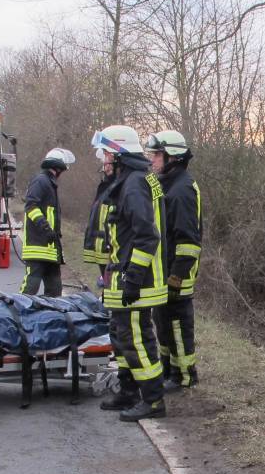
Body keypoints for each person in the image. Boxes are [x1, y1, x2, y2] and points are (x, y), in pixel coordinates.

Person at [93, 125, 168, 421]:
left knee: (136, 338)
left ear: (120, 154)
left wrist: (133, 277)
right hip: (126, 275)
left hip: (138, 280)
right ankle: (129, 391)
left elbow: (147, 235)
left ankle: (152, 400)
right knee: (122, 335)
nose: (104, 159)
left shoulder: (134, 183)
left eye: (108, 153)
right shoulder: (132, 179)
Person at [144, 130, 203, 391]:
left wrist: (176, 277)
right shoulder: (166, 184)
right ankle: (168, 370)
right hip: (163, 271)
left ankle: (184, 375)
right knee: (163, 322)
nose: (153, 159)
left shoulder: (182, 190)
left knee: (178, 325)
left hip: (178, 274)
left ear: (173, 157)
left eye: (157, 155)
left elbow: (188, 241)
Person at [21, 148, 75, 296]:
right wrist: (46, 229)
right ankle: (20, 314)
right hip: (38, 246)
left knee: (55, 289)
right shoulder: (41, 181)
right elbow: (31, 206)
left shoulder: (50, 184)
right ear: (58, 167)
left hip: (50, 248)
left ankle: (52, 316)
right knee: (30, 287)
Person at [83, 142, 117, 284]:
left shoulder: (119, 186)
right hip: (102, 248)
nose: (105, 166)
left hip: (110, 250)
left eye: (108, 162)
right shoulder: (105, 186)